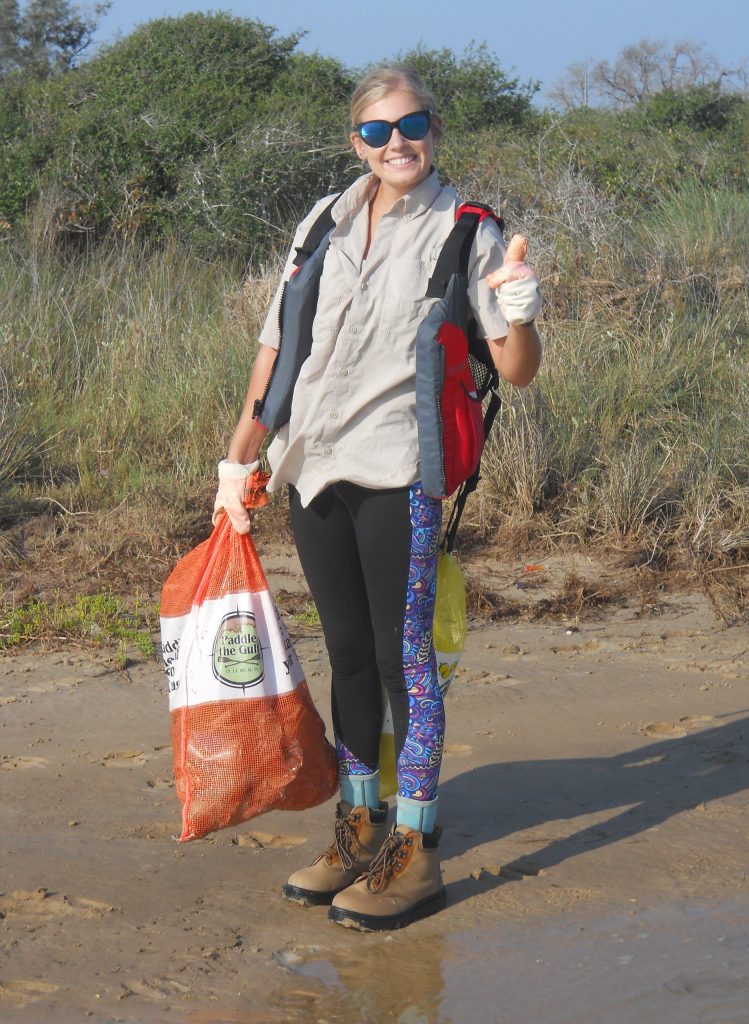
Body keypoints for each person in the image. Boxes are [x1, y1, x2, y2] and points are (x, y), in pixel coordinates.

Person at [213, 65, 542, 931]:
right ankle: (361, 827)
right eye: (377, 131)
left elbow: (515, 368)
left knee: (407, 664)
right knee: (350, 656)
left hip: (401, 469)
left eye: (413, 124)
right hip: (312, 466)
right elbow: (278, 345)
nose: (397, 143)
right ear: (354, 139)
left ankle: (418, 845)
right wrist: (238, 457)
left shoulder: (468, 230)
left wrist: (523, 308)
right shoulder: (322, 219)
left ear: (435, 129)